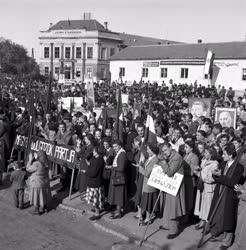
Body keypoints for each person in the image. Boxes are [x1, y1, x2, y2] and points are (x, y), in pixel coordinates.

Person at [208, 144, 244, 249]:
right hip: (219, 192)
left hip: (229, 195)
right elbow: (216, 177)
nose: (222, 156)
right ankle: (219, 234)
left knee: (228, 217)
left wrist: (220, 177)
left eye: (224, 154)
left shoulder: (239, 167)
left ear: (230, 155)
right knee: (218, 214)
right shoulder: (223, 163)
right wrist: (215, 174)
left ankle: (227, 240)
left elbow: (233, 183)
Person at [158, 142, 186, 239]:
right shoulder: (170, 156)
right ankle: (167, 224)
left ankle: (174, 230)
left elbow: (170, 172)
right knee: (167, 205)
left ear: (170, 147)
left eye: (165, 150)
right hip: (169, 185)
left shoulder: (177, 157)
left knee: (174, 207)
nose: (164, 152)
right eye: (163, 151)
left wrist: (163, 163)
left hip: (175, 186)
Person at [194, 147, 218, 230]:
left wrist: (201, 174)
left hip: (208, 187)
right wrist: (196, 171)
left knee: (207, 206)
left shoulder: (215, 164)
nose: (204, 154)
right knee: (202, 204)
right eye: (205, 152)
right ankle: (202, 221)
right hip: (202, 186)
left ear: (211, 154)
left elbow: (212, 179)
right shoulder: (204, 161)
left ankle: (207, 224)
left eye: (207, 153)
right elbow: (201, 174)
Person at [138, 144, 159, 226]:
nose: (147, 151)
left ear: (152, 150)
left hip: (150, 185)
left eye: (148, 149)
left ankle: (148, 218)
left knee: (148, 202)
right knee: (146, 201)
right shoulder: (151, 158)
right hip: (146, 183)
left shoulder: (155, 160)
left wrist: (140, 168)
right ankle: (147, 217)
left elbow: (147, 173)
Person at [26, 150, 52, 215]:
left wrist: (30, 160)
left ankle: (36, 209)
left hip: (37, 183)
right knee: (43, 195)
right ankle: (44, 207)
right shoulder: (47, 162)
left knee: (36, 196)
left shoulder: (37, 164)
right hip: (45, 182)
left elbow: (28, 169)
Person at [108, 139, 128, 219]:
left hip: (119, 177)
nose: (115, 148)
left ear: (120, 146)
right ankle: (117, 211)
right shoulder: (119, 153)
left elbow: (121, 168)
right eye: (113, 147)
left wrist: (111, 167)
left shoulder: (122, 154)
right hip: (117, 176)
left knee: (119, 196)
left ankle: (118, 213)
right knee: (117, 195)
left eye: (116, 146)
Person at [86, 147, 105, 221]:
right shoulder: (100, 159)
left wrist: (87, 171)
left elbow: (93, 173)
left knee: (96, 199)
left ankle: (97, 214)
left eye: (94, 151)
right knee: (97, 198)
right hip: (98, 182)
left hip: (95, 183)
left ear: (97, 152)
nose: (93, 152)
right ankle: (97, 210)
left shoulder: (98, 161)